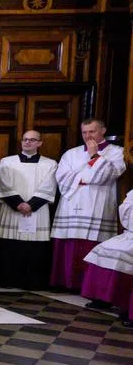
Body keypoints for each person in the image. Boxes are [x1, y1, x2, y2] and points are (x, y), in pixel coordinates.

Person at [49, 118, 127, 290]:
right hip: (72, 202)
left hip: (99, 202)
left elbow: (109, 175)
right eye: (84, 132)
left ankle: (89, 286)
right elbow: (62, 176)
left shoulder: (117, 152)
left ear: (103, 131)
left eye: (92, 131)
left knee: (93, 242)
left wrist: (94, 156)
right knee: (70, 241)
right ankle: (66, 282)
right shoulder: (71, 153)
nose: (87, 136)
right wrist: (90, 176)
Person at [0, 130, 57, 290]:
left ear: (40, 143)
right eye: (25, 139)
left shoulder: (50, 164)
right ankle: (7, 279)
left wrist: (31, 205)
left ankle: (33, 282)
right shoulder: (7, 162)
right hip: (11, 209)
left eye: (32, 140)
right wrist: (18, 203)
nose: (28, 142)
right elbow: (2, 183)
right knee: (9, 245)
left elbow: (49, 185)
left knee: (35, 247)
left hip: (37, 210)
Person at [81, 191, 133, 322]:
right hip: (130, 234)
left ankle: (127, 308)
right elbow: (125, 209)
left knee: (121, 255)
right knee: (102, 250)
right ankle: (103, 298)